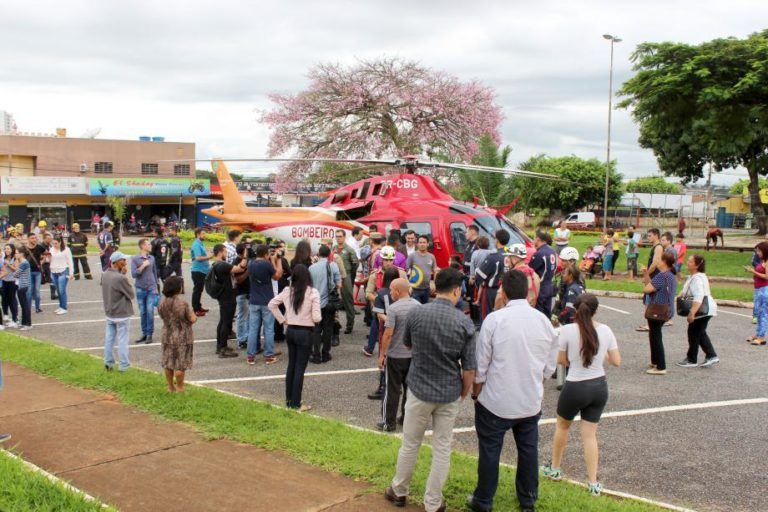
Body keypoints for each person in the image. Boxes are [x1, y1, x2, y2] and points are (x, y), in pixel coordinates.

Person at [385, 267, 476, 512]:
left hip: (419, 388)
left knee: (410, 442)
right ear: (457, 290)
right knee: (442, 448)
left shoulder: (417, 313)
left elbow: (408, 345)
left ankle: (399, 490)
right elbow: (469, 369)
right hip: (448, 392)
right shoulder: (464, 322)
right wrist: (464, 391)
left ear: (435, 287)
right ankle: (433, 502)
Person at [467, 270, 558, 512]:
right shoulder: (543, 321)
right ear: (528, 292)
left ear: (503, 293)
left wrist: (476, 393)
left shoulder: (495, 320)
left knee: (489, 451)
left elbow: (481, 364)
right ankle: (528, 500)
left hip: (496, 400)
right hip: (529, 400)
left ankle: (483, 499)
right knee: (528, 450)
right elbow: (550, 365)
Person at [541, 293, 621, 497]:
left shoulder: (568, 330)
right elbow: (616, 361)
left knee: (562, 426)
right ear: (596, 310)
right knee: (590, 435)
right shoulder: (605, 330)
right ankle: (593, 482)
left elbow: (561, 360)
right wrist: (600, 352)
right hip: (599, 386)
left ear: (577, 310)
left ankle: (556, 468)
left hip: (576, 385)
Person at [268, 264, 321, 411]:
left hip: (290, 330)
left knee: (291, 365)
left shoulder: (287, 291)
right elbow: (317, 318)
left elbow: (272, 304)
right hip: (305, 332)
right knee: (299, 368)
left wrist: (282, 319)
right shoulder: (312, 293)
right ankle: (296, 403)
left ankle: (289, 399)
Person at [377, 278, 419, 432]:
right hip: (412, 356)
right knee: (410, 390)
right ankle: (406, 419)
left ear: (398, 291)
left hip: (395, 355)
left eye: (391, 290)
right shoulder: (418, 306)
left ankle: (389, 422)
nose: (390, 292)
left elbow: (388, 334)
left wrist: (382, 355)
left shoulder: (394, 309)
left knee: (392, 390)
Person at [363, 246, 407, 358]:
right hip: (380, 309)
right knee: (376, 326)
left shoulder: (401, 273)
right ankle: (370, 348)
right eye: (386, 260)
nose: (388, 262)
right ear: (381, 260)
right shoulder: (374, 275)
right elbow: (368, 293)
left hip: (399, 307)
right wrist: (381, 300)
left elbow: (408, 290)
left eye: (390, 260)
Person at [677, 255, 720, 365]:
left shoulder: (697, 278)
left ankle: (692, 359)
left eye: (690, 261)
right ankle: (711, 355)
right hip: (705, 308)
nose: (688, 262)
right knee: (699, 332)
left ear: (697, 265)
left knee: (694, 333)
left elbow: (699, 295)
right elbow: (685, 291)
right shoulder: (694, 276)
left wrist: (692, 313)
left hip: (703, 309)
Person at [158, 276, 197, 392]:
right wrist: (195, 317)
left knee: (168, 362)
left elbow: (163, 317)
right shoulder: (182, 303)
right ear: (178, 288)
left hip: (167, 334)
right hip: (182, 336)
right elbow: (191, 319)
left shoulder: (161, 304)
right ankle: (180, 387)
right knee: (180, 364)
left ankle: (170, 387)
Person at [247, 244, 284, 365]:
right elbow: (277, 276)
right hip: (267, 301)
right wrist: (277, 260)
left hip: (254, 300)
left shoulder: (251, 264)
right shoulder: (266, 264)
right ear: (266, 254)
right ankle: (268, 355)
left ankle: (250, 356)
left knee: (253, 329)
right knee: (268, 329)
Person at [643, 251, 677, 375]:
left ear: (664, 262)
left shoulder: (662, 276)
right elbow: (649, 285)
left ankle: (661, 366)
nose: (657, 261)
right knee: (654, 335)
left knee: (656, 336)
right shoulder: (671, 275)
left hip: (658, 309)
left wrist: (647, 280)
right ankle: (655, 361)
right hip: (666, 309)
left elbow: (647, 288)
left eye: (659, 260)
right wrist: (646, 273)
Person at [101, 251, 134, 371]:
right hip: (121, 313)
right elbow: (131, 294)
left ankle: (108, 362)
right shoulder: (120, 278)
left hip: (109, 312)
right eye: (123, 260)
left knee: (109, 338)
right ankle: (124, 365)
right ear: (116, 262)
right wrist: (124, 276)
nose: (125, 262)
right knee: (122, 340)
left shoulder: (105, 274)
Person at [308, 245, 341, 364]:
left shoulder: (312, 268)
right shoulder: (333, 265)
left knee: (316, 329)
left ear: (318, 254)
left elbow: (309, 286)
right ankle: (326, 353)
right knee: (328, 328)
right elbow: (339, 284)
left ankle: (315, 354)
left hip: (316, 303)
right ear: (329, 254)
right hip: (329, 303)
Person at [210, 244, 240, 359]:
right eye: (225, 251)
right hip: (227, 297)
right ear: (221, 252)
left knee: (223, 321)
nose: (226, 253)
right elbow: (238, 269)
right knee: (226, 322)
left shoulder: (216, 264)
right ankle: (223, 348)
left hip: (224, 297)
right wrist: (245, 259)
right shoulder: (222, 265)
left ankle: (220, 346)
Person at [476, 229, 510, 321]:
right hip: (506, 291)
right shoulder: (510, 256)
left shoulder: (493, 256)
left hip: (491, 292)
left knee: (486, 317)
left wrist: (480, 284)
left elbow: (479, 276)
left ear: (497, 240)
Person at [131, 239, 159, 344]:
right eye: (148, 244)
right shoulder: (135, 259)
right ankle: (144, 333)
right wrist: (143, 266)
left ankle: (149, 334)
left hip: (151, 288)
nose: (150, 245)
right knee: (143, 312)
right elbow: (134, 274)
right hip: (140, 288)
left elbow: (155, 272)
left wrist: (156, 286)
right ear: (143, 246)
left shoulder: (152, 258)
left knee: (150, 310)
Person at [636, 228, 664, 332]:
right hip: (652, 275)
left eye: (650, 235)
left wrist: (647, 273)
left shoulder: (658, 247)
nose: (648, 238)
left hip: (655, 275)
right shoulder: (654, 247)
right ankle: (649, 322)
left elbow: (655, 262)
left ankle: (650, 323)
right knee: (647, 299)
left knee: (649, 299)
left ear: (656, 235)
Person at [334, 230, 359, 334]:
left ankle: (349, 325)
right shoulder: (334, 248)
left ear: (344, 237)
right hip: (335, 276)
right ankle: (334, 325)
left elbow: (355, 264)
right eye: (337, 236)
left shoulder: (349, 250)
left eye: (340, 236)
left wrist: (349, 276)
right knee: (333, 300)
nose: (338, 238)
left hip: (346, 276)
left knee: (348, 301)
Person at [529, 231, 557, 317]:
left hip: (541, 287)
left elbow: (530, 270)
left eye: (534, 239)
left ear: (538, 239)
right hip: (550, 285)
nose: (533, 241)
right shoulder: (552, 251)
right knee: (547, 313)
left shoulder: (539, 253)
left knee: (539, 314)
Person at [746, 241, 768, 345]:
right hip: (758, 289)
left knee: (763, 313)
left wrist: (753, 271)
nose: (757, 253)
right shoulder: (762, 261)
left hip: (764, 290)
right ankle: (758, 333)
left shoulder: (767, 262)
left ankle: (762, 337)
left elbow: (766, 277)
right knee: (758, 313)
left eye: (759, 251)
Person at [406, 235, 437, 305]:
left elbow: (435, 271)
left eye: (424, 242)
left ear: (428, 244)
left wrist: (435, 284)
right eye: (420, 242)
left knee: (425, 309)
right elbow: (406, 271)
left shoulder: (432, 257)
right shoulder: (412, 256)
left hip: (427, 289)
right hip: (414, 289)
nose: (422, 244)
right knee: (416, 309)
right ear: (417, 244)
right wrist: (408, 286)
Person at [273, 240, 292, 342]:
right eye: (281, 247)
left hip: (277, 287)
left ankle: (277, 333)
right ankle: (279, 334)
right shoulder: (282, 260)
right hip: (281, 287)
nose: (283, 249)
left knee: (277, 310)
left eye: (284, 247)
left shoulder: (272, 259)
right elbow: (290, 272)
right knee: (280, 311)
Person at [190, 228, 212, 316]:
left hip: (202, 271)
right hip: (198, 271)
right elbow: (198, 258)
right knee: (197, 290)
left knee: (199, 290)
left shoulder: (201, 243)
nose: (204, 235)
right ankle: (196, 309)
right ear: (198, 234)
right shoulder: (196, 244)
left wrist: (208, 254)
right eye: (203, 234)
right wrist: (209, 257)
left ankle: (199, 306)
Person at [49, 237, 74, 315]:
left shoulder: (66, 250)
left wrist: (71, 273)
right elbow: (49, 260)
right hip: (53, 271)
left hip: (63, 271)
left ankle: (64, 308)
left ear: (60, 242)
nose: (54, 245)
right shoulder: (51, 249)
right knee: (58, 290)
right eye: (53, 243)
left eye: (56, 243)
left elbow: (70, 261)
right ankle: (61, 306)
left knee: (62, 290)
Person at [233, 243, 251, 349]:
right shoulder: (236, 262)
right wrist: (248, 271)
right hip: (242, 293)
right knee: (241, 317)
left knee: (248, 317)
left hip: (249, 293)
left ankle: (247, 336)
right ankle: (241, 339)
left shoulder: (247, 261)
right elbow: (238, 280)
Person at [11, 247, 32, 330]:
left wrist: (15, 266)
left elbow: (16, 274)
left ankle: (27, 324)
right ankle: (24, 322)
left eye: (17, 253)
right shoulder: (23, 262)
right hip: (22, 285)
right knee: (23, 305)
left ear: (21, 254)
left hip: (23, 285)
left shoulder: (24, 263)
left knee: (24, 305)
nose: (15, 254)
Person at [24, 233, 45, 314]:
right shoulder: (25, 248)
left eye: (35, 238)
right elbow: (19, 257)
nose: (34, 239)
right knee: (29, 291)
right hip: (28, 272)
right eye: (32, 238)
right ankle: (28, 308)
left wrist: (42, 262)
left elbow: (47, 253)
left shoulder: (39, 247)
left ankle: (37, 308)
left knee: (37, 291)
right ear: (28, 239)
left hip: (37, 272)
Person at [1, 245, 19, 328]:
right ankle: (6, 314)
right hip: (5, 281)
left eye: (8, 249)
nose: (6, 250)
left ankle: (15, 319)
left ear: (12, 250)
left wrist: (8, 264)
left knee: (12, 299)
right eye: (5, 249)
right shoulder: (3, 258)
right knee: (5, 298)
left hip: (13, 281)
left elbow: (16, 269)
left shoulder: (15, 258)